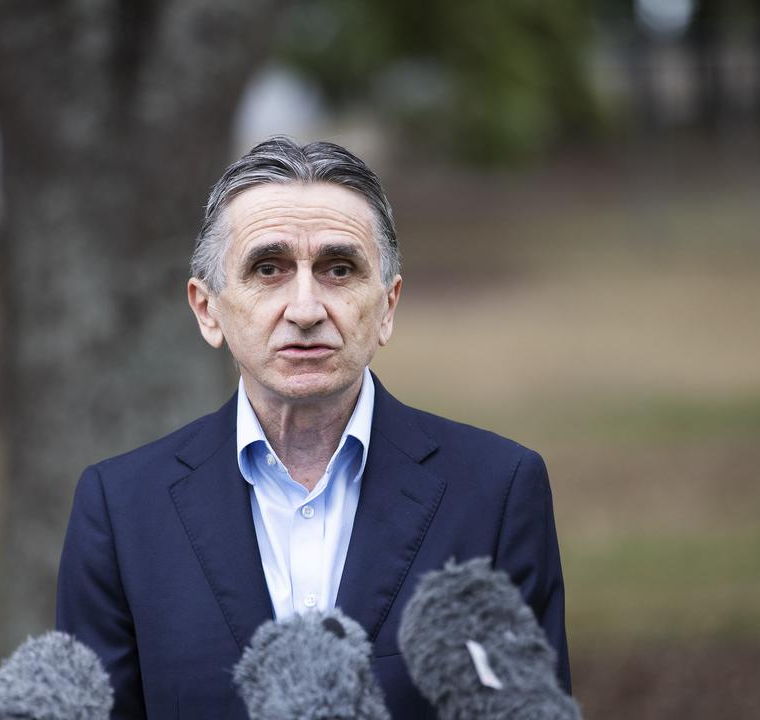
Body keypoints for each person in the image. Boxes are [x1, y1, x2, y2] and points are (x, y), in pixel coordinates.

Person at [56, 137, 570, 718]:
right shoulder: (121, 509)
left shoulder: (497, 492)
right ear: (208, 310)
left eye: (339, 268)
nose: (305, 309)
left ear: (387, 307)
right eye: (268, 268)